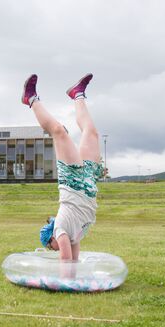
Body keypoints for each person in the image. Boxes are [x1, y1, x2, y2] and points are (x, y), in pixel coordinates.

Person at [21, 73, 104, 262]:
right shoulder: (75, 236)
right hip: (89, 179)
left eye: (51, 248)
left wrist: (65, 282)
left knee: (59, 131)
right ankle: (77, 94)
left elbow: (65, 259)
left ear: (51, 239)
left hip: (73, 181)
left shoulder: (60, 229)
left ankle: (31, 99)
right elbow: (73, 261)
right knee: (92, 132)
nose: (55, 250)